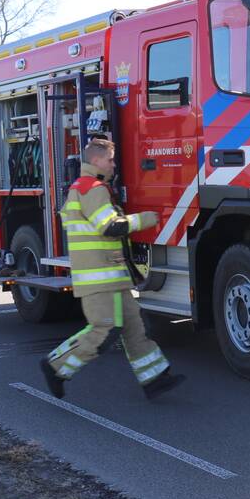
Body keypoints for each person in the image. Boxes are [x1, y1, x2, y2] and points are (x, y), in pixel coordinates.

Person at [41, 137, 186, 400]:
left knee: (134, 326)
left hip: (111, 277)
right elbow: (110, 227)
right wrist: (146, 219)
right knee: (104, 330)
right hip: (99, 279)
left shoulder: (88, 187)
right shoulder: (91, 188)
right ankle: (55, 366)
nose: (113, 165)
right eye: (110, 160)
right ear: (96, 160)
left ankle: (154, 378)